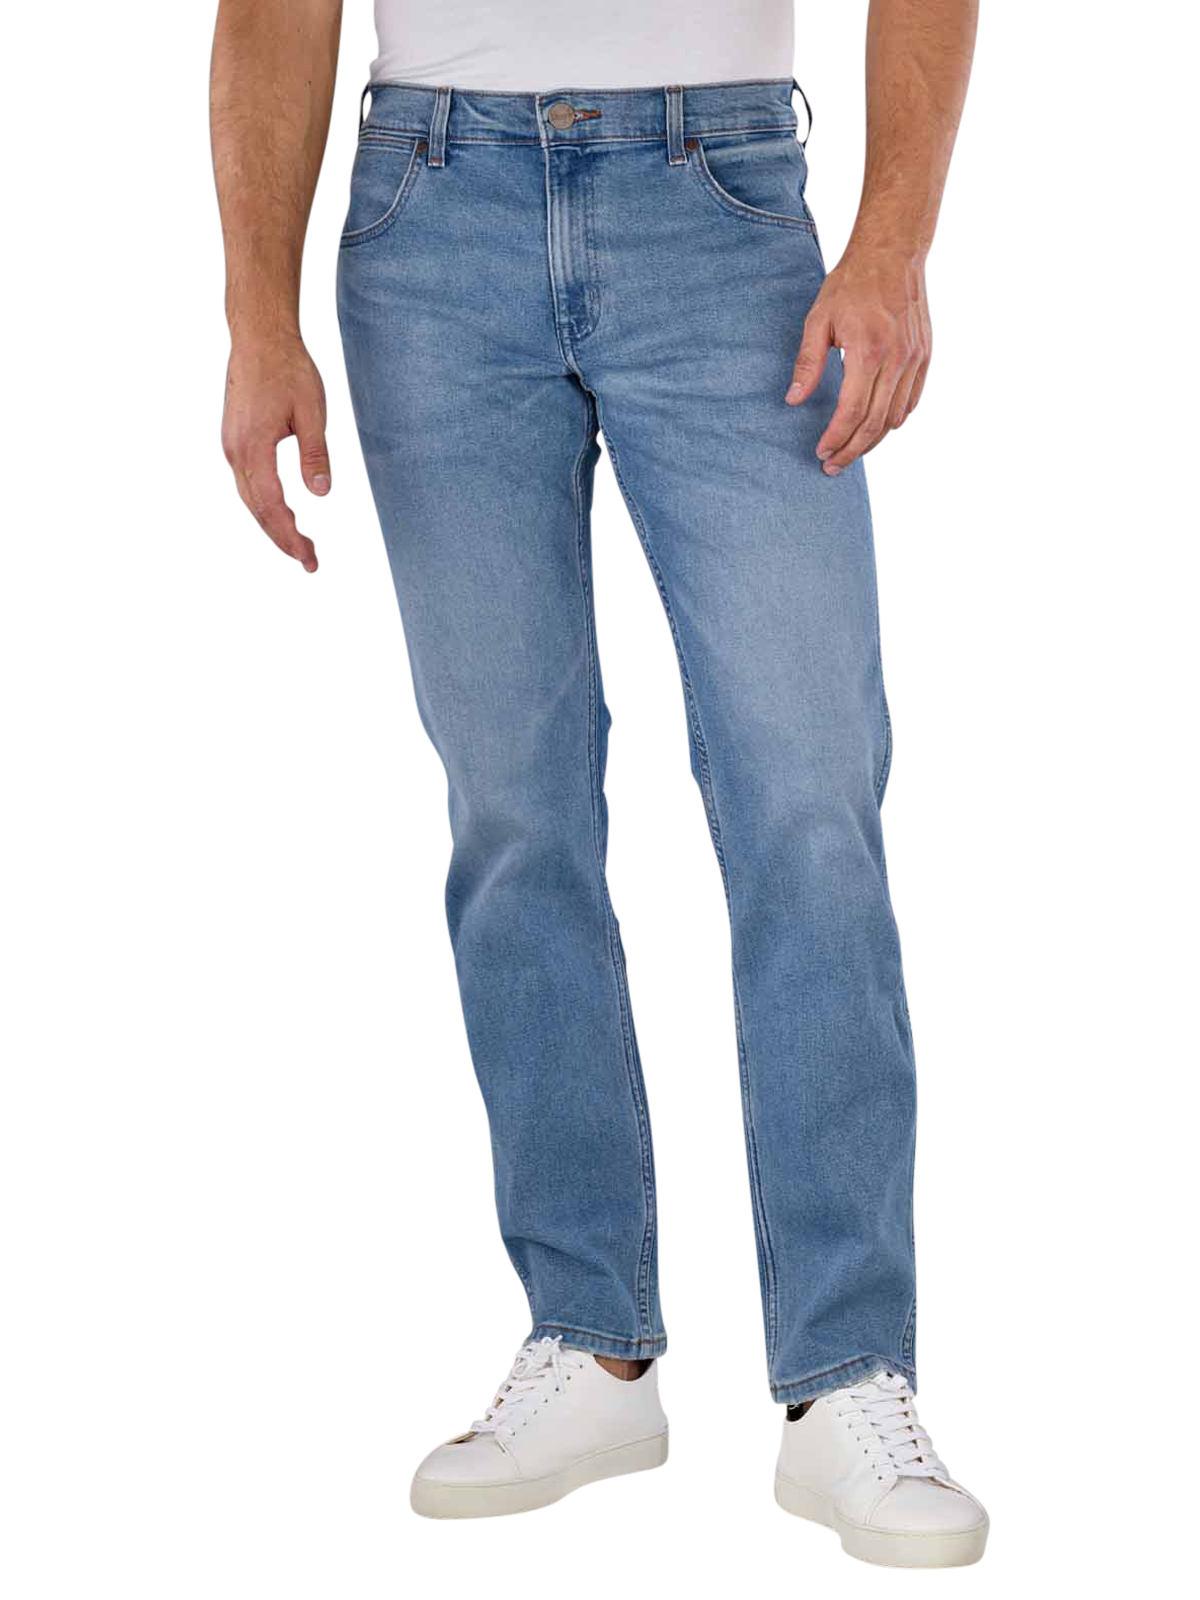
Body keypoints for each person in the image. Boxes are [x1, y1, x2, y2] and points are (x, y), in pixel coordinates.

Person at [213, 0, 984, 1561]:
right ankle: (593, 1344)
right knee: (514, 814)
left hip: (727, 204)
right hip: (429, 212)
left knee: (809, 800)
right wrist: (262, 324)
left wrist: (891, 243)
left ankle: (843, 1372)